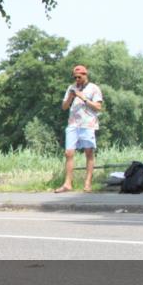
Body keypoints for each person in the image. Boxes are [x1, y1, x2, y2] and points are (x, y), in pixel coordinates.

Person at [56, 64, 104, 193]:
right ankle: (67, 184)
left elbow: (98, 107)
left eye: (79, 77)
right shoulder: (71, 88)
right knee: (69, 153)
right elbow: (64, 107)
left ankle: (87, 183)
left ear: (85, 75)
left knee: (89, 152)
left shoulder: (94, 88)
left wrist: (83, 98)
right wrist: (71, 97)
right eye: (74, 77)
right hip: (73, 123)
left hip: (87, 124)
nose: (76, 79)